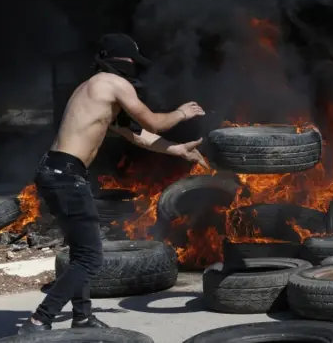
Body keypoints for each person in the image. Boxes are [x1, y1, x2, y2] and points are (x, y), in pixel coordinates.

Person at [18, 33, 207, 334]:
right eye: (133, 61)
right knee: (92, 256)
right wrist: (182, 113)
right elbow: (154, 123)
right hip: (65, 175)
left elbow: (138, 135)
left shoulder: (94, 88)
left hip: (59, 172)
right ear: (125, 61)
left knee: (81, 252)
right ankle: (39, 320)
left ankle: (82, 317)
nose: (135, 68)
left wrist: (177, 149)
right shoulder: (112, 83)